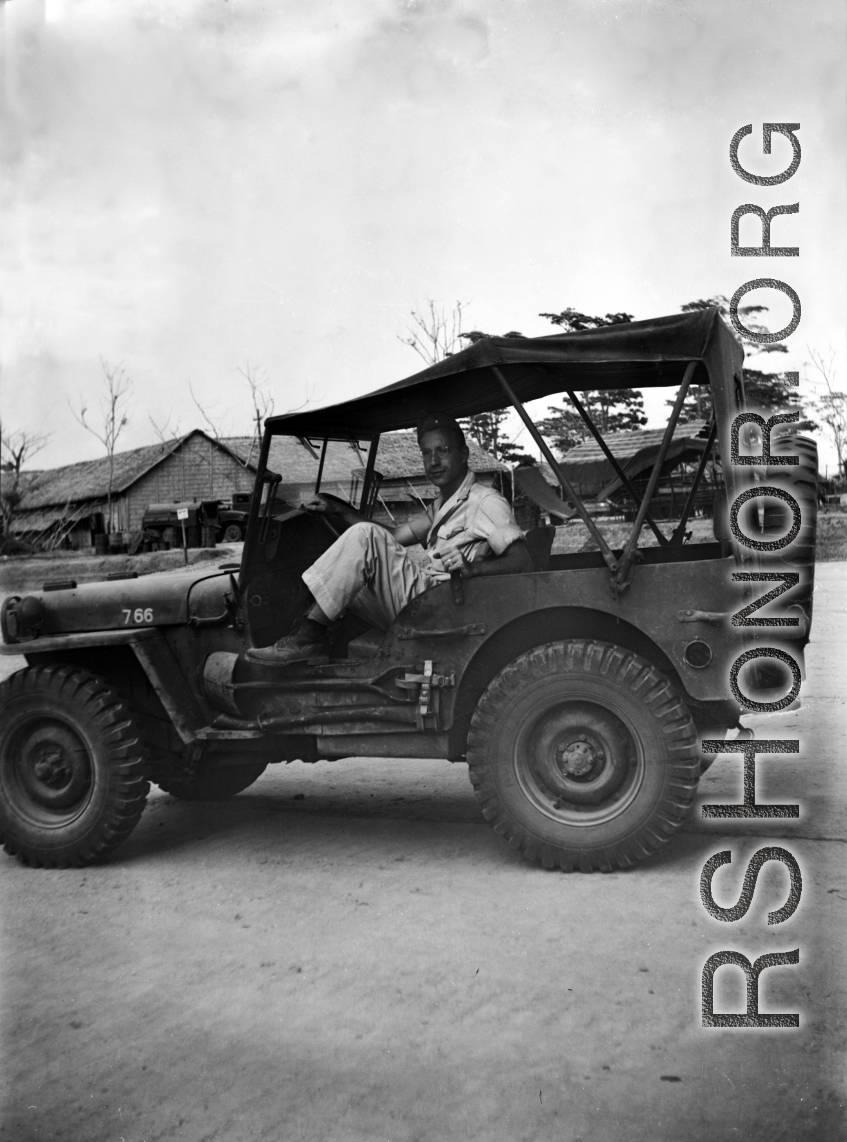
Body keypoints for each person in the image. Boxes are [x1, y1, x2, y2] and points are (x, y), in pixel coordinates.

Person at [247, 412, 533, 665]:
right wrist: (338, 510)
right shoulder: (445, 505)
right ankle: (314, 638)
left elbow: (523, 561)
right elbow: (393, 536)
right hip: (429, 603)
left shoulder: (484, 502)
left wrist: (472, 569)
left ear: (463, 454)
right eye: (426, 452)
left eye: (442, 450)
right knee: (346, 578)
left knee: (363, 538)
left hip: (443, 608)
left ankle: (307, 639)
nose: (433, 461)